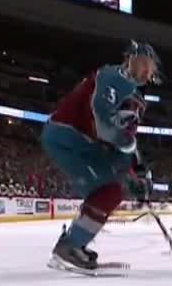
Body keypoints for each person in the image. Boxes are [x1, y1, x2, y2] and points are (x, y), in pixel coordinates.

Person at [40, 40, 160, 272]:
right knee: (107, 191)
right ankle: (69, 248)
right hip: (68, 137)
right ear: (130, 60)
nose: (147, 71)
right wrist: (131, 164)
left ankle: (74, 244)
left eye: (151, 67)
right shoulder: (115, 78)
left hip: (83, 142)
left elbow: (120, 144)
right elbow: (106, 128)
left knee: (111, 192)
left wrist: (138, 173)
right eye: (143, 63)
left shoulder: (130, 92)